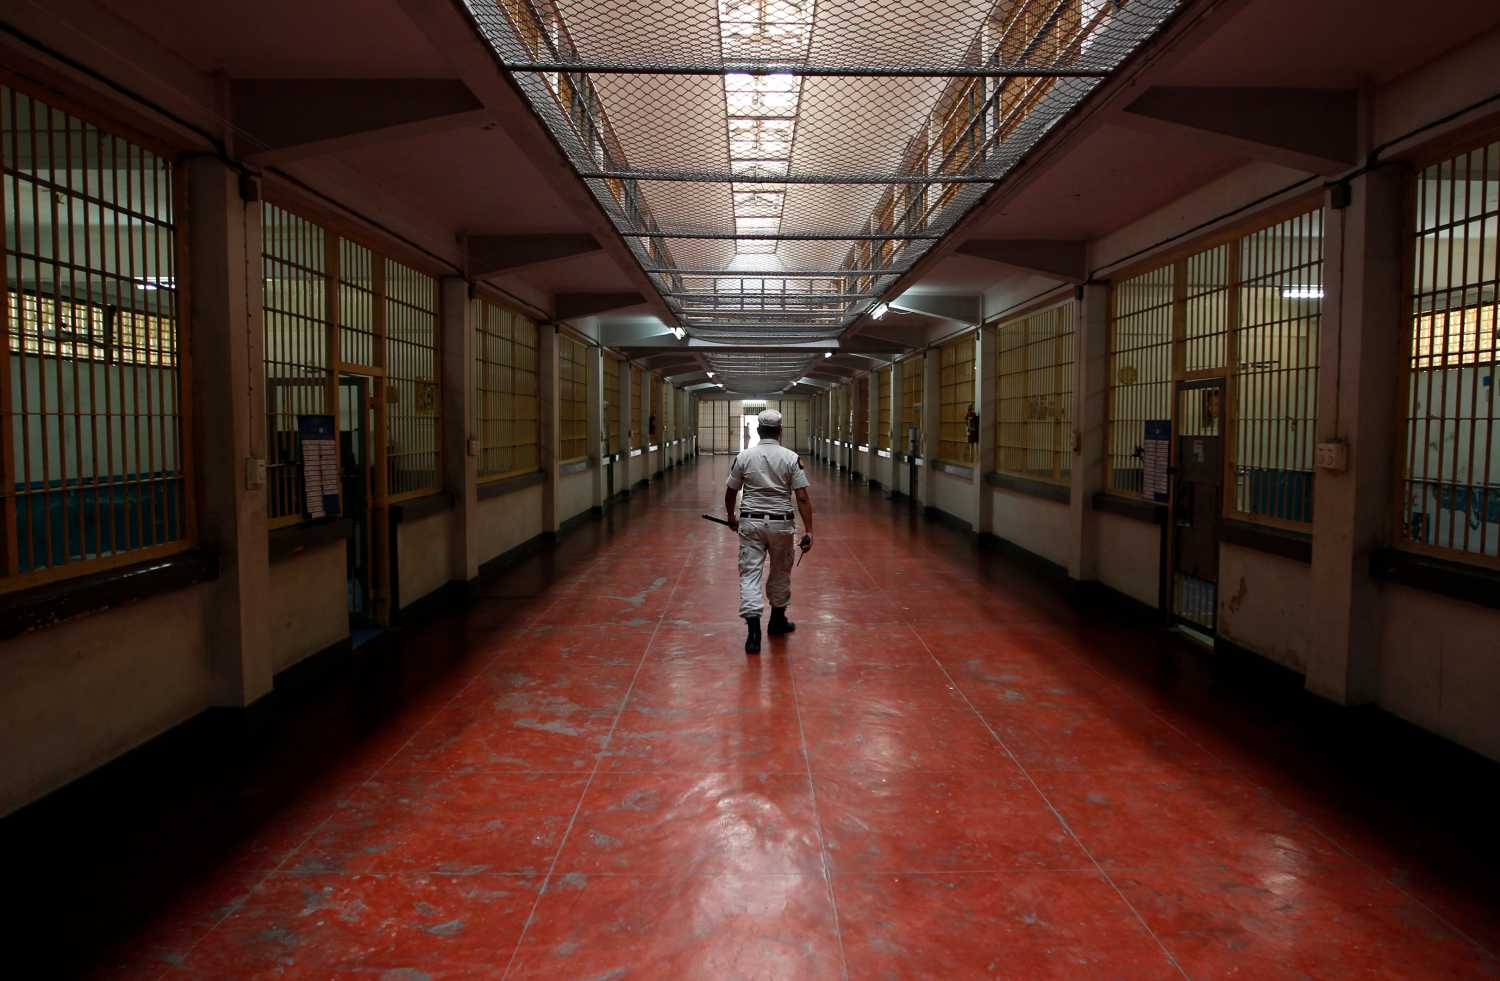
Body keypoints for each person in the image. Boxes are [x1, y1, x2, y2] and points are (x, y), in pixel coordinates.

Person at [724, 408, 814, 654]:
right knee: (780, 571)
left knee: (750, 574)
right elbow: (802, 497)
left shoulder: (744, 457)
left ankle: (753, 634)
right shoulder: (791, 457)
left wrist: (732, 516)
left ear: (758, 430)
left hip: (751, 523)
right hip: (782, 524)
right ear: (780, 431)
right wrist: (809, 530)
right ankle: (777, 621)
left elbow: (731, 490)